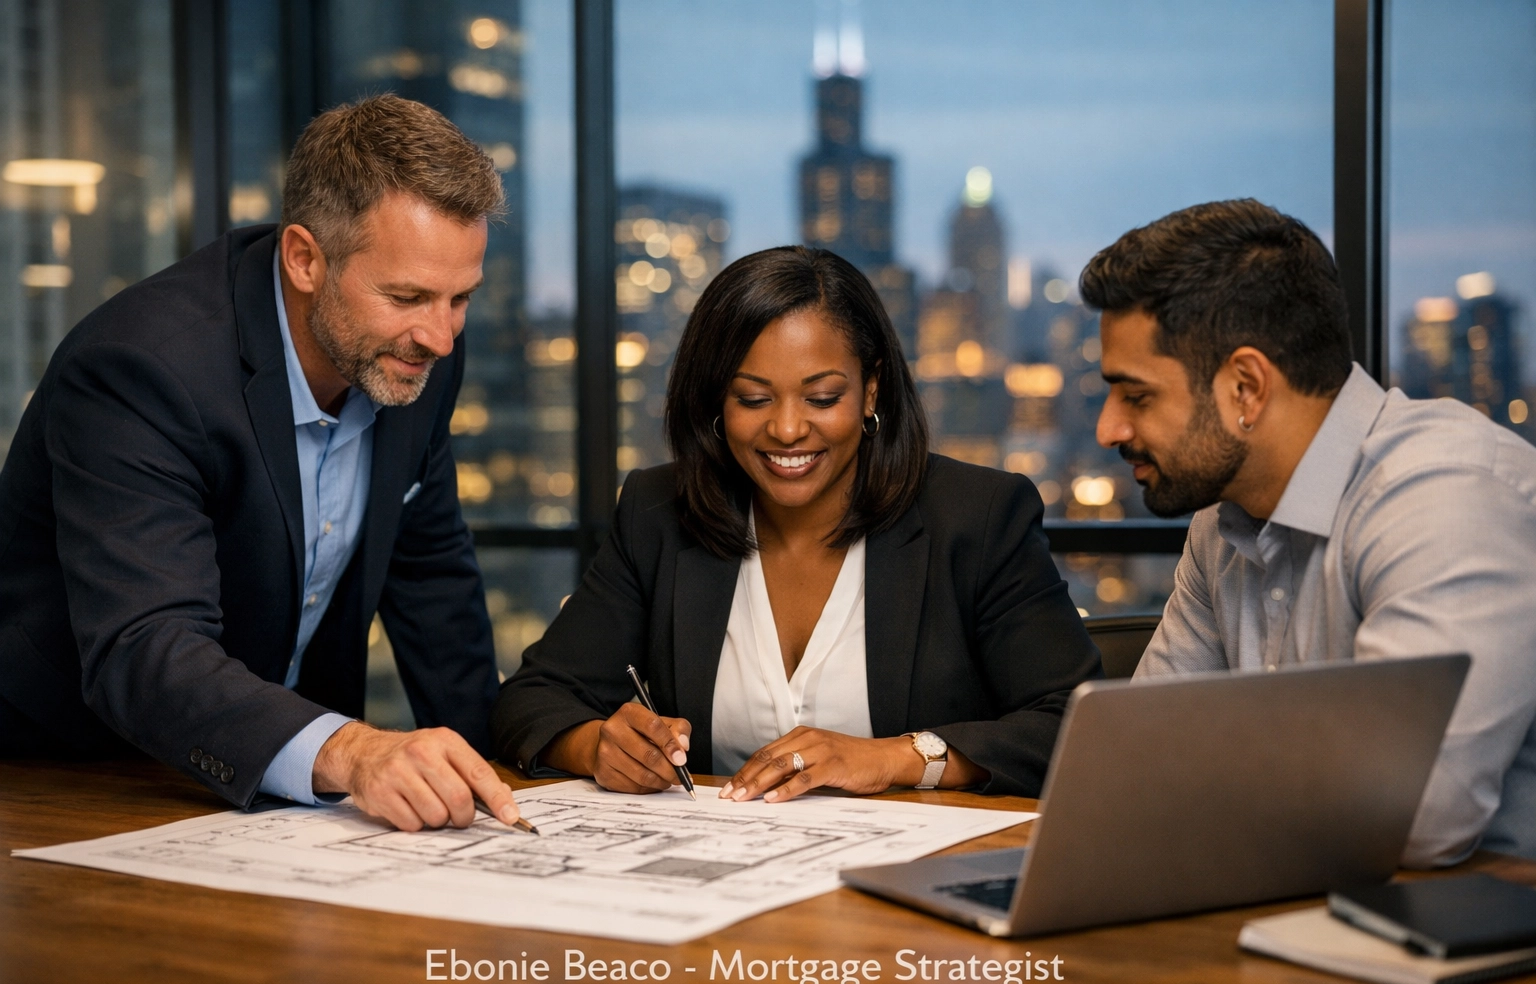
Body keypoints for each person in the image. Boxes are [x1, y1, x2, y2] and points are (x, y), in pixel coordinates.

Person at [0, 95, 524, 832]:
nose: (439, 336)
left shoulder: (416, 349)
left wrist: (500, 775)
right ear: (305, 258)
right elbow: (147, 646)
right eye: (406, 296)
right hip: (72, 776)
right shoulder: (142, 368)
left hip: (278, 792)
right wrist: (353, 751)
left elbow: (431, 576)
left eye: (460, 298)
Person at [492, 246, 1101, 802]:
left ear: (870, 392)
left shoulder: (978, 515)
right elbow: (531, 699)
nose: (786, 430)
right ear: (713, 402)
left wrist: (896, 757)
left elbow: (1075, 723)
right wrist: (596, 746)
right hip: (720, 890)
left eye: (821, 397)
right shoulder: (659, 512)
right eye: (753, 399)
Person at [1083, 197, 1536, 867]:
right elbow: (1136, 770)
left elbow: (1410, 817)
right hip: (1301, 908)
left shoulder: (1446, 497)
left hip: (1482, 937)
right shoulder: (1222, 524)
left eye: (1136, 395)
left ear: (1246, 387)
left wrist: (1196, 774)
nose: (1107, 429)